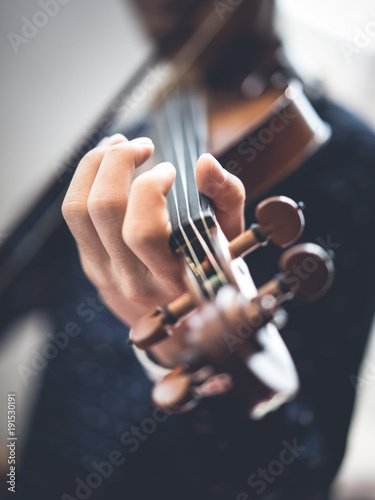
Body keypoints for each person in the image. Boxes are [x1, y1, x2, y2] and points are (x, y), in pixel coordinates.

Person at [17, 1, 375, 499]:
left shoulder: (353, 162)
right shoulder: (125, 139)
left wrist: (197, 370)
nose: (162, 9)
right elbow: (20, 287)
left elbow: (303, 471)